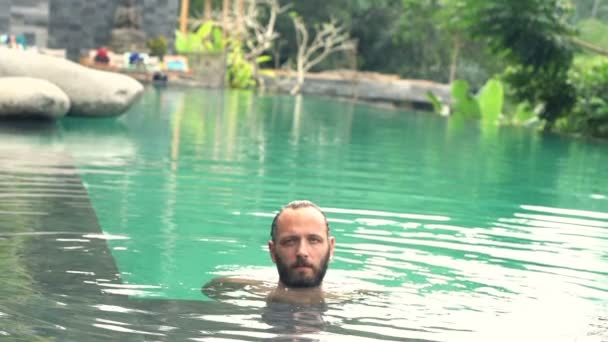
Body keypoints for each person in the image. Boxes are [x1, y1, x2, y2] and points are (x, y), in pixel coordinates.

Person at [202, 200, 336, 305]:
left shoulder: (351, 298)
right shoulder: (233, 288)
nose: (302, 252)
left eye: (313, 240)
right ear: (272, 251)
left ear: (331, 248)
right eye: (289, 241)